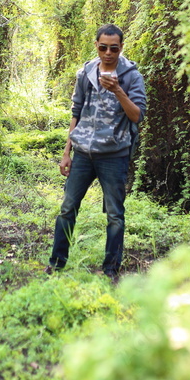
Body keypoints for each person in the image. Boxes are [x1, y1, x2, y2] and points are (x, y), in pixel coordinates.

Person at [45, 24, 147, 283]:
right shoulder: (86, 72)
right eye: (103, 47)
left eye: (114, 48)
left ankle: (111, 269)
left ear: (121, 47)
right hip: (82, 153)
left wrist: (118, 90)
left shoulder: (131, 77)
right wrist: (66, 152)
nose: (108, 53)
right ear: (97, 46)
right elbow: (76, 112)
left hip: (114, 154)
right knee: (67, 208)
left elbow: (137, 115)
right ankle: (56, 264)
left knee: (115, 214)